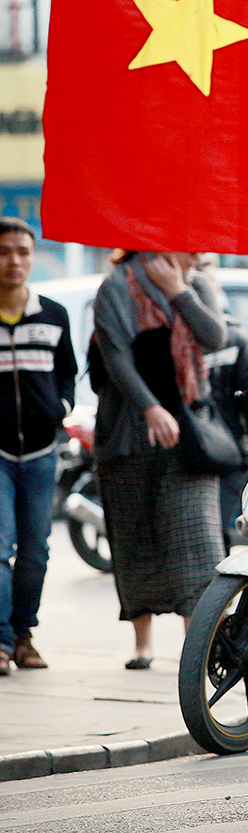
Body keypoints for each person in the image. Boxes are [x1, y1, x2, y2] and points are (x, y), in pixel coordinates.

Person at [91, 251, 228, 669]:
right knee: (135, 541)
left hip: (190, 437)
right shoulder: (116, 287)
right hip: (127, 436)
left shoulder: (195, 284)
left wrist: (178, 291)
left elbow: (216, 337)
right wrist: (150, 407)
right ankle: (142, 643)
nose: (198, 251)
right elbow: (115, 357)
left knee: (197, 543)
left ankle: (199, 647)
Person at [0, 218, 76, 674]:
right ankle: (3, 640)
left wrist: (61, 405)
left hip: (42, 451)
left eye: (23, 251)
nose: (14, 261)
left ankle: (24, 634)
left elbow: (67, 370)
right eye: (5, 251)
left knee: (36, 550)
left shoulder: (53, 314)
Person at [205, 312, 248, 548]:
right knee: (211, 535)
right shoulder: (173, 338)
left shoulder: (234, 341)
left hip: (225, 458)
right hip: (215, 456)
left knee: (213, 535)